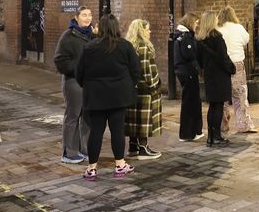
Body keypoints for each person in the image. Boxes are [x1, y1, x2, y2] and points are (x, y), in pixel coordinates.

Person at [75, 14, 141, 181]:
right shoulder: (125, 46)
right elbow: (136, 71)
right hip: (119, 96)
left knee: (96, 131)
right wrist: (127, 85)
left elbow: (79, 73)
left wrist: (89, 86)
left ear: (101, 27)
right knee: (117, 131)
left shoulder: (89, 47)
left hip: (96, 96)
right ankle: (120, 165)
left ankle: (92, 169)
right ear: (116, 27)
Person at [52, 6, 94, 164]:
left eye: (90, 15)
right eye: (84, 15)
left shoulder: (92, 35)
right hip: (73, 82)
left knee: (88, 117)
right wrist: (79, 67)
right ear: (76, 17)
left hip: (90, 82)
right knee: (73, 116)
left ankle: (86, 149)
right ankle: (69, 152)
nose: (88, 18)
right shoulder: (68, 36)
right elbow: (59, 61)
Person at [124, 19, 163, 160]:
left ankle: (133, 147)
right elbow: (147, 70)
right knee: (144, 119)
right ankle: (143, 148)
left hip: (132, 87)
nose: (150, 31)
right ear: (141, 30)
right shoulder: (144, 47)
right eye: (148, 29)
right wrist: (155, 85)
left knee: (134, 118)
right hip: (145, 89)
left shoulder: (129, 45)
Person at [197, 11, 235, 146]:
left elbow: (199, 61)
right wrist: (231, 69)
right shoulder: (217, 38)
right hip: (220, 76)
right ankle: (217, 136)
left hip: (209, 75)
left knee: (212, 106)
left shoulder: (201, 39)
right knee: (218, 106)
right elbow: (223, 58)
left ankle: (210, 136)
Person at [217, 7, 254, 134]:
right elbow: (246, 40)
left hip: (222, 65)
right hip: (237, 64)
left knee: (222, 97)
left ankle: (223, 123)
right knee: (240, 95)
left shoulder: (218, 29)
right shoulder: (238, 27)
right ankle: (243, 124)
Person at [172, 13, 204, 142]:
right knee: (189, 103)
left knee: (193, 101)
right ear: (190, 22)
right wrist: (197, 67)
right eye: (196, 22)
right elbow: (188, 55)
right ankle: (187, 133)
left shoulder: (182, 36)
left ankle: (194, 131)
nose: (197, 25)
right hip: (188, 72)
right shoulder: (185, 37)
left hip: (184, 72)